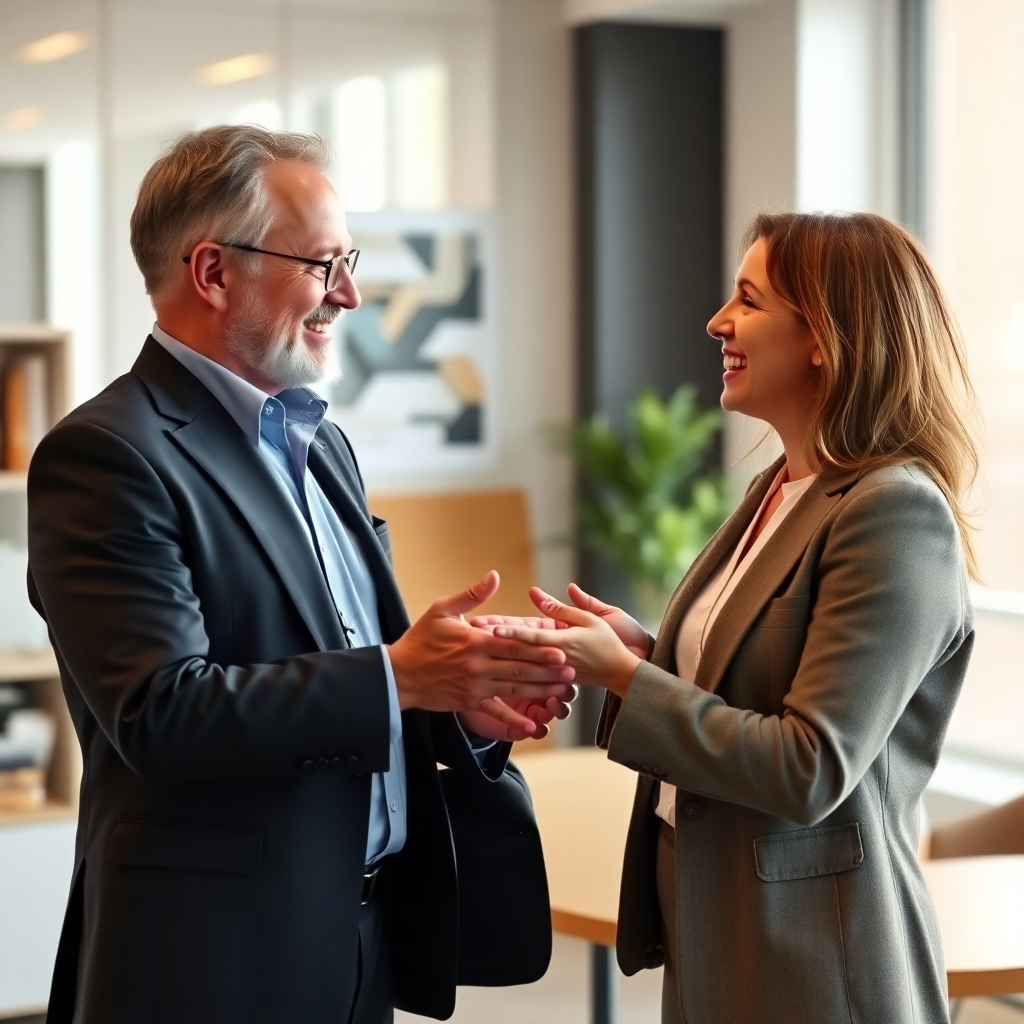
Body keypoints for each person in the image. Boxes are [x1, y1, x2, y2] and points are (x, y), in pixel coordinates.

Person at [27, 125, 575, 1024]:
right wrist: (402, 675)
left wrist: (453, 701)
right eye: (325, 264)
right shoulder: (105, 455)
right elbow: (162, 712)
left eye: (348, 261)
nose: (350, 295)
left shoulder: (322, 447)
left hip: (360, 941)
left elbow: (348, 674)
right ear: (213, 272)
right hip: (212, 960)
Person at [480, 212, 979, 1023]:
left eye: (747, 300)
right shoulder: (780, 489)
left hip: (818, 957)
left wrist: (630, 677)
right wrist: (642, 652)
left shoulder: (894, 515)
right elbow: (748, 682)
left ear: (824, 337)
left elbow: (808, 766)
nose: (717, 322)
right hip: (717, 920)